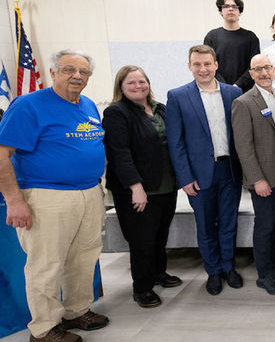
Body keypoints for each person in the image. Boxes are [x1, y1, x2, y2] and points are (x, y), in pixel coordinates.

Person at [1, 50, 109, 342]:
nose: (77, 76)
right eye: (69, 70)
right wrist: (14, 200)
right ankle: (44, 328)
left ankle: (77, 311)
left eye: (83, 72)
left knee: (83, 258)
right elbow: (2, 153)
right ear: (53, 72)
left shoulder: (87, 105)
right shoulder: (28, 105)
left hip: (89, 192)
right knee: (46, 264)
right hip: (47, 195)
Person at [166, 45, 244, 296]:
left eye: (207, 64)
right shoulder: (178, 96)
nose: (203, 69)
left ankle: (229, 267)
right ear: (190, 66)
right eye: (197, 64)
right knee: (206, 225)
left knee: (229, 224)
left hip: (229, 170)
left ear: (216, 65)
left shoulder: (234, 93)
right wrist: (185, 178)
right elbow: (175, 143)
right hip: (199, 176)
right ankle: (213, 271)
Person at [103, 65, 180, 308]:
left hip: (165, 185)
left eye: (141, 81)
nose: (138, 86)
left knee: (159, 235)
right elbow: (119, 153)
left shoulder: (161, 109)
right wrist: (136, 187)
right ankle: (142, 287)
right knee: (142, 240)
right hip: (137, 189)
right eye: (131, 83)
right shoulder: (116, 112)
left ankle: (159, 273)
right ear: (121, 88)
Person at [231, 53, 275, 296]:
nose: (263, 73)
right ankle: (265, 274)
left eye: (267, 68)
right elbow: (244, 147)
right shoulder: (244, 103)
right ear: (251, 74)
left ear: (274, 70)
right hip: (262, 176)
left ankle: (274, 259)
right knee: (264, 224)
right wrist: (257, 179)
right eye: (257, 69)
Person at [204, 0, 261, 92]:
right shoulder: (211, 37)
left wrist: (238, 85)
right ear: (220, 11)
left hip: (245, 91)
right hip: (218, 90)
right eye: (226, 6)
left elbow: (254, 66)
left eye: (234, 6)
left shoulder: (251, 37)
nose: (231, 9)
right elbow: (209, 65)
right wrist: (225, 86)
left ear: (240, 12)